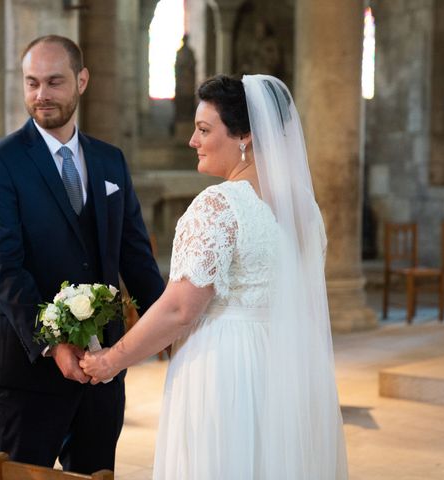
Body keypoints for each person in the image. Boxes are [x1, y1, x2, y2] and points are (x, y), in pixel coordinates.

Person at [81, 74, 349, 479]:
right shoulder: (305, 209)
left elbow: (179, 309)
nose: (193, 140)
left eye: (204, 130)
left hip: (227, 371)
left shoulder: (219, 204)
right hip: (287, 363)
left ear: (244, 136)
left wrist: (111, 361)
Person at [0, 35, 165, 474]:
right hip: (27, 371)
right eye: (32, 83)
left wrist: (169, 329)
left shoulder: (110, 161)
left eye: (54, 82)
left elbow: (135, 257)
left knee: (97, 474)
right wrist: (53, 343)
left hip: (104, 368)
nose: (41, 95)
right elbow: (3, 267)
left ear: (81, 80)